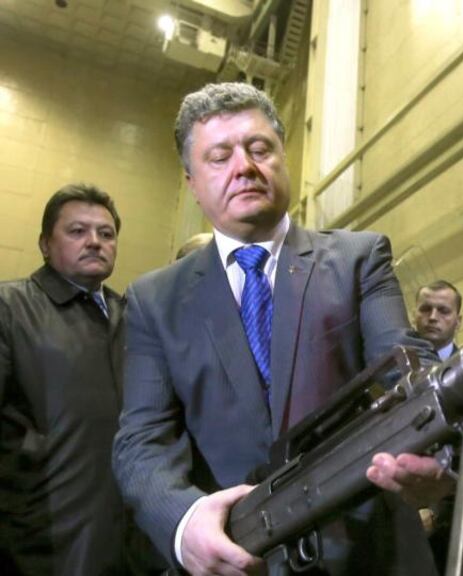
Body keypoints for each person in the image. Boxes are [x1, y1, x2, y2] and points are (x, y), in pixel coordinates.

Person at [112, 82, 437, 576]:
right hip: (239, 556)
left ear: (284, 158)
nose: (244, 166)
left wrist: (437, 450)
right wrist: (184, 521)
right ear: (192, 182)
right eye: (218, 157)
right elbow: (141, 441)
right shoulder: (154, 300)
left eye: (259, 148)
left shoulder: (359, 258)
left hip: (373, 551)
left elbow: (410, 373)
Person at [0, 185, 162, 574]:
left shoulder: (134, 319)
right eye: (77, 231)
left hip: (127, 546)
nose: (94, 242)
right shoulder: (10, 308)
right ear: (44, 243)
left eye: (106, 234)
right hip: (37, 543)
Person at [413, 280, 462, 360]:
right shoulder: (396, 364)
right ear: (414, 316)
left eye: (444, 311)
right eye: (426, 309)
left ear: (458, 321)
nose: (433, 317)